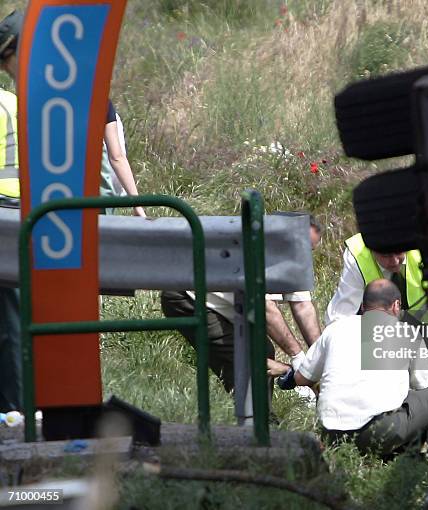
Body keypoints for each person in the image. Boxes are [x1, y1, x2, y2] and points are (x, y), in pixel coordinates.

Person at [0, 10, 145, 218]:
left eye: (6, 59)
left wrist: (136, 202)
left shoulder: (43, 99)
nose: (6, 69)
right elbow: (117, 156)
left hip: (75, 206)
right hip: (78, 205)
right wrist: (136, 203)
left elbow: (116, 156)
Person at [278, 279, 428, 459]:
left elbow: (302, 378)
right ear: (396, 306)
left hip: (332, 436)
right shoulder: (407, 333)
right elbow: (422, 385)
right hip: (378, 433)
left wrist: (285, 374)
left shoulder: (336, 329)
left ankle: (393, 457)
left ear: (363, 306)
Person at [161, 214, 323, 393]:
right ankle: (257, 418)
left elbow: (303, 307)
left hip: (222, 302)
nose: (304, 256)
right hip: (188, 297)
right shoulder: (256, 247)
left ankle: (258, 417)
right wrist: (298, 358)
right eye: (303, 247)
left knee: (260, 350)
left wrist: (321, 357)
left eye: (310, 251)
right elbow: (265, 311)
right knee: (251, 354)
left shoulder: (293, 257)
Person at [325, 232, 428, 325]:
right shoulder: (357, 256)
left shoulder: (423, 241)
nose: (395, 261)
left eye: (398, 252)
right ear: (371, 249)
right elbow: (339, 319)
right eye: (386, 255)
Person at [0, 42, 20, 411]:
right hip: (25, 212)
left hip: (2, 211)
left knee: (10, 325)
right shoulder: (13, 102)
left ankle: (13, 409)